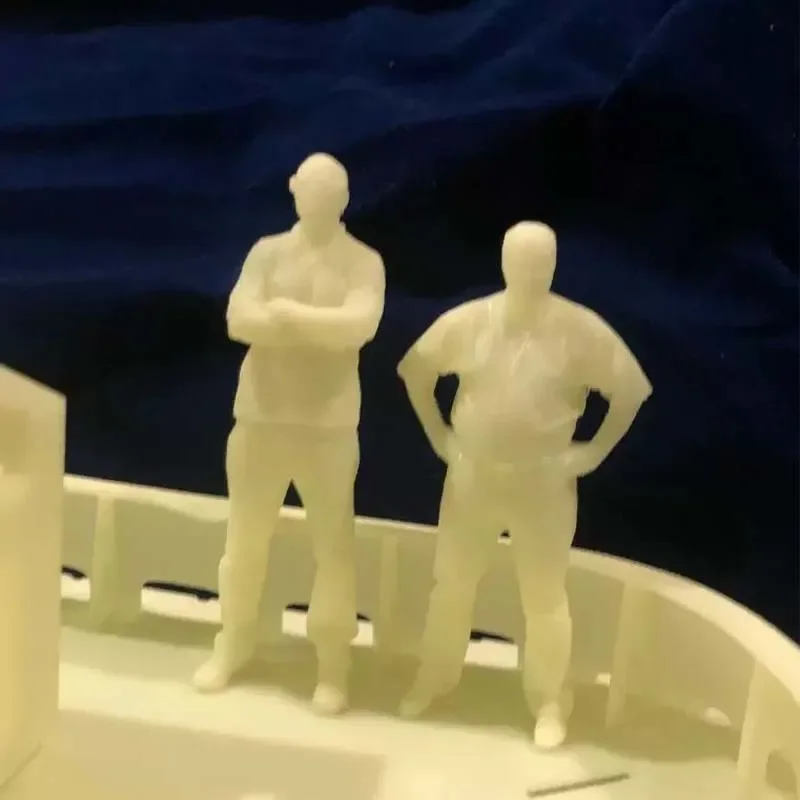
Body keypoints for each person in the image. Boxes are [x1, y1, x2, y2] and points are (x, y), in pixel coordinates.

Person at [397, 221, 652, 748]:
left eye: (542, 262)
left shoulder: (579, 330)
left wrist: (593, 452)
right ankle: (435, 677)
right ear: (504, 262)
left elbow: (630, 390)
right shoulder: (471, 321)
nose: (532, 272)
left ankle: (550, 700)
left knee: (544, 596)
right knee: (452, 583)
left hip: (543, 482)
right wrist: (440, 436)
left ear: (554, 266)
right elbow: (415, 371)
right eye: (522, 260)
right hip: (473, 476)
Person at [193, 153, 386, 715]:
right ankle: (233, 641)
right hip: (260, 420)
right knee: (244, 543)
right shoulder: (267, 252)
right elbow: (239, 320)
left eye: (330, 192)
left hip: (327, 429)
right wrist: (313, 327)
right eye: (311, 189)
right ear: (295, 190)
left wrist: (285, 315)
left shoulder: (363, 262)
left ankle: (332, 665)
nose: (318, 201)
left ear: (343, 200)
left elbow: (359, 325)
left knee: (333, 550)